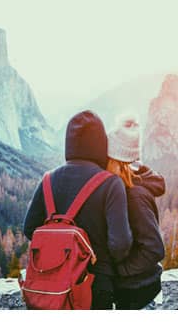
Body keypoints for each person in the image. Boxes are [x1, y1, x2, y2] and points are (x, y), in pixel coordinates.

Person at [23, 110, 133, 309]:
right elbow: (120, 244)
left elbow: (30, 228)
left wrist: (60, 252)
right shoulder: (111, 183)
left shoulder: (48, 179)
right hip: (94, 286)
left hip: (49, 287)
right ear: (101, 144)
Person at [106, 114, 166, 310]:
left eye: (108, 159)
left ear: (119, 162)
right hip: (133, 290)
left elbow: (154, 249)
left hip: (139, 293)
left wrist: (119, 270)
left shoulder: (135, 196)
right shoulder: (126, 189)